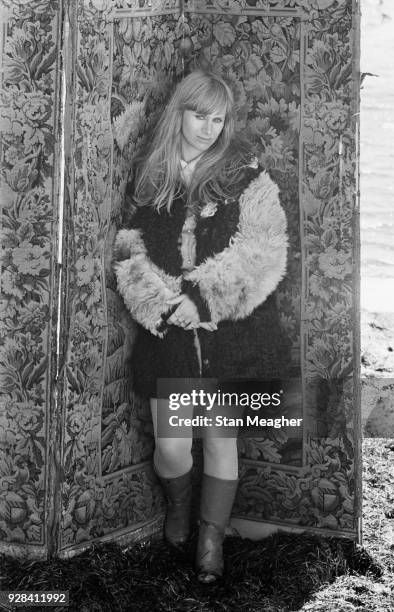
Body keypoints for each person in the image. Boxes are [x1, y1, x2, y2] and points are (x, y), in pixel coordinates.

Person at [113, 69, 288, 583]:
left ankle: (210, 542)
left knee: (219, 437)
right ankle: (177, 514)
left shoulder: (246, 177)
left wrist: (204, 297)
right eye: (199, 115)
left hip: (232, 335)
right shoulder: (153, 176)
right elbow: (130, 246)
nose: (209, 128)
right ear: (179, 113)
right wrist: (161, 302)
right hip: (168, 332)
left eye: (218, 118)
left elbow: (265, 250)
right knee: (170, 445)